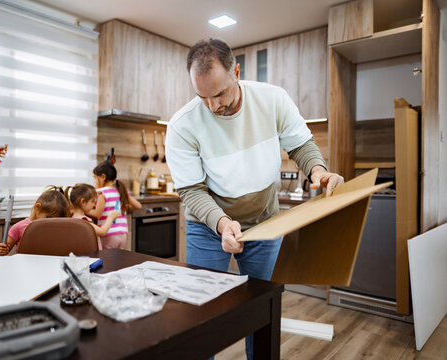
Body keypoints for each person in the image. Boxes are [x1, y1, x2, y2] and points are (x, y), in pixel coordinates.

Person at [165, 39, 344, 359]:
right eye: (202, 96)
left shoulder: (272, 99)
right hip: (209, 229)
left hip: (264, 222)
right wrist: (221, 223)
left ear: (236, 71)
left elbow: (301, 145)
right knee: (201, 312)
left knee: (262, 309)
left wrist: (318, 171)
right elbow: (191, 190)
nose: (212, 106)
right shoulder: (182, 125)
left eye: (219, 93)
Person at [0, 186, 69, 255]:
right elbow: (6, 249)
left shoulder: (55, 229)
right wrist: (2, 249)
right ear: (37, 207)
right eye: (48, 217)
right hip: (24, 266)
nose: (51, 223)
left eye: (56, 221)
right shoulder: (19, 227)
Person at [89, 161, 142, 249]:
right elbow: (138, 206)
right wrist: (125, 202)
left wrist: (86, 210)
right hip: (122, 234)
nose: (94, 181)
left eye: (95, 177)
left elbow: (97, 214)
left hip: (109, 234)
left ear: (103, 177)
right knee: (118, 261)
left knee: (108, 261)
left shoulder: (102, 192)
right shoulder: (120, 190)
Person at [65, 183, 121, 249]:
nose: (94, 205)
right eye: (92, 201)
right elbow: (102, 232)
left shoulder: (74, 218)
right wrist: (110, 218)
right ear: (83, 202)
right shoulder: (83, 220)